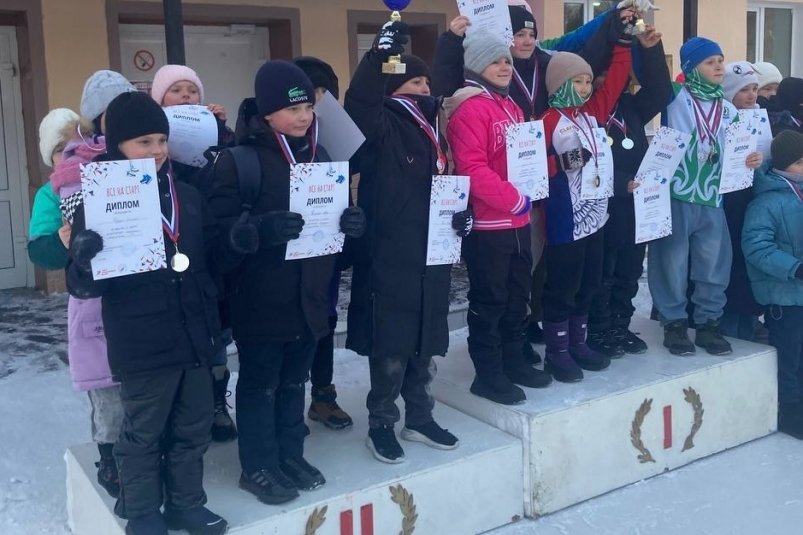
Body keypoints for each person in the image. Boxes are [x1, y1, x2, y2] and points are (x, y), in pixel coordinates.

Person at [66, 91, 228, 535]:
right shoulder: (96, 202)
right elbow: (82, 286)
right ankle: (141, 513)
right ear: (117, 145)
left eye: (161, 140)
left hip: (195, 335)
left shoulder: (187, 196)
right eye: (144, 142)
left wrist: (239, 241)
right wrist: (83, 259)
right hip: (141, 342)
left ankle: (186, 505)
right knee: (143, 433)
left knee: (193, 427)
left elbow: (213, 259)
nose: (157, 150)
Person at [206, 60, 365, 504]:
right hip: (260, 299)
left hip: (309, 296)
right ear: (268, 112)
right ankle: (257, 465)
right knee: (260, 384)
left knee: (295, 382)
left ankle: (289, 454)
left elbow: (335, 242)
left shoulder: (323, 158)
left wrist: (351, 226)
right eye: (292, 108)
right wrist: (258, 231)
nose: (304, 116)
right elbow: (217, 242)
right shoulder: (239, 162)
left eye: (308, 107)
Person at [344, 22, 468, 463]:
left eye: (426, 83)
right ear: (394, 87)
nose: (424, 89)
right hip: (391, 250)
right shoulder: (381, 124)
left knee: (426, 338)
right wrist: (378, 59)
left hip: (432, 250)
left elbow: (446, 180)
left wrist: (461, 214)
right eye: (415, 82)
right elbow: (360, 103)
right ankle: (381, 422)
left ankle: (420, 416)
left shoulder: (434, 127)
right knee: (390, 342)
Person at [445, 30, 553, 405]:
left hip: (519, 222)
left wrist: (534, 185)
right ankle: (488, 374)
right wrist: (512, 198)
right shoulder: (470, 109)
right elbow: (472, 168)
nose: (505, 66)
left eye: (506, 60)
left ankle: (513, 360)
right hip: (490, 224)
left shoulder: (511, 107)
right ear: (477, 66)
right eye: (495, 61)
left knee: (517, 297)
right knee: (490, 301)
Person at [648, 38, 763, 356]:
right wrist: (648, 43)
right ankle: (674, 323)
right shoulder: (674, 95)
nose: (718, 66)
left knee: (714, 263)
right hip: (677, 193)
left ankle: (709, 323)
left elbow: (739, 151)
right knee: (671, 261)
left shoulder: (728, 109)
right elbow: (652, 75)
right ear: (690, 67)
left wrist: (751, 159)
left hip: (712, 197)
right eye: (710, 61)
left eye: (720, 60)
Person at [150, 63, 238, 443]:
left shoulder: (216, 133)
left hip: (208, 254)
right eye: (176, 90)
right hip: (166, 258)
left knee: (216, 337)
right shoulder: (152, 146)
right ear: (160, 101)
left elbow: (231, 170)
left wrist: (222, 132)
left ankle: (217, 403)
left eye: (192, 90)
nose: (186, 96)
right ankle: (177, 411)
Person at [586, 23, 671, 357]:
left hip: (636, 206)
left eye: (616, 72)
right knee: (602, 271)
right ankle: (598, 328)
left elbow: (661, 92)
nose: (610, 79)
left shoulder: (630, 106)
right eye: (603, 72)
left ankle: (620, 325)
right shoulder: (587, 110)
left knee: (630, 269)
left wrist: (650, 51)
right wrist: (620, 181)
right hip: (602, 205)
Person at [292, 56, 354, 431]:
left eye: (323, 93)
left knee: (325, 320)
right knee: (292, 325)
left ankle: (323, 395)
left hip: (324, 249)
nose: (315, 103)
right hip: (287, 255)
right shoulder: (268, 133)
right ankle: (287, 401)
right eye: (311, 92)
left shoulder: (333, 133)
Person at [742, 130, 803, 440]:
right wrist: (794, 268)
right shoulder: (767, 201)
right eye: (800, 162)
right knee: (789, 356)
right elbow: (756, 247)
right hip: (784, 296)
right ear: (782, 164)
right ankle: (789, 411)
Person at [718, 61, 765, 341]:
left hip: (752, 201)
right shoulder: (719, 119)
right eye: (744, 89)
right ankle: (725, 324)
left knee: (748, 263)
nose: (752, 95)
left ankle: (747, 323)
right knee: (728, 262)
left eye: (755, 88)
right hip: (726, 203)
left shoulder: (760, 119)